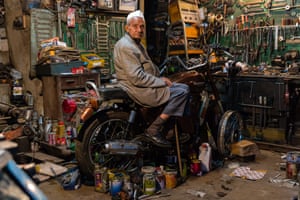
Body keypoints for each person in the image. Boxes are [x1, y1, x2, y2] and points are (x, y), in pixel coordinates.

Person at [113, 10, 190, 147]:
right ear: (127, 28)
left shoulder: (135, 43)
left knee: (180, 87)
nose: (139, 29)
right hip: (137, 88)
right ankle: (155, 129)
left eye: (142, 26)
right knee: (182, 91)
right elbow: (137, 77)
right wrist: (160, 81)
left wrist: (159, 75)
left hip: (140, 84)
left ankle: (170, 128)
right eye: (135, 26)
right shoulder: (127, 46)